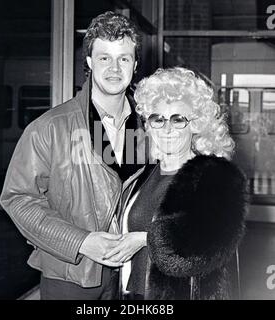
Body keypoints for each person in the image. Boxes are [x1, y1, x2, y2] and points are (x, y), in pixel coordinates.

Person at [0, 11, 146, 300]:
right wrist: (81, 242)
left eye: (124, 58)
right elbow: (17, 198)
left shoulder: (145, 126)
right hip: (71, 275)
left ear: (135, 64)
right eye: (104, 58)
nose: (114, 68)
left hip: (130, 274)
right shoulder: (50, 128)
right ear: (90, 62)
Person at [104, 67, 248, 300]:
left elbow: (200, 247)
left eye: (178, 119)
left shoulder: (217, 176)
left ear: (196, 125)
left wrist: (143, 239)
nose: (167, 128)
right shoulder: (144, 174)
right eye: (158, 119)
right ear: (148, 125)